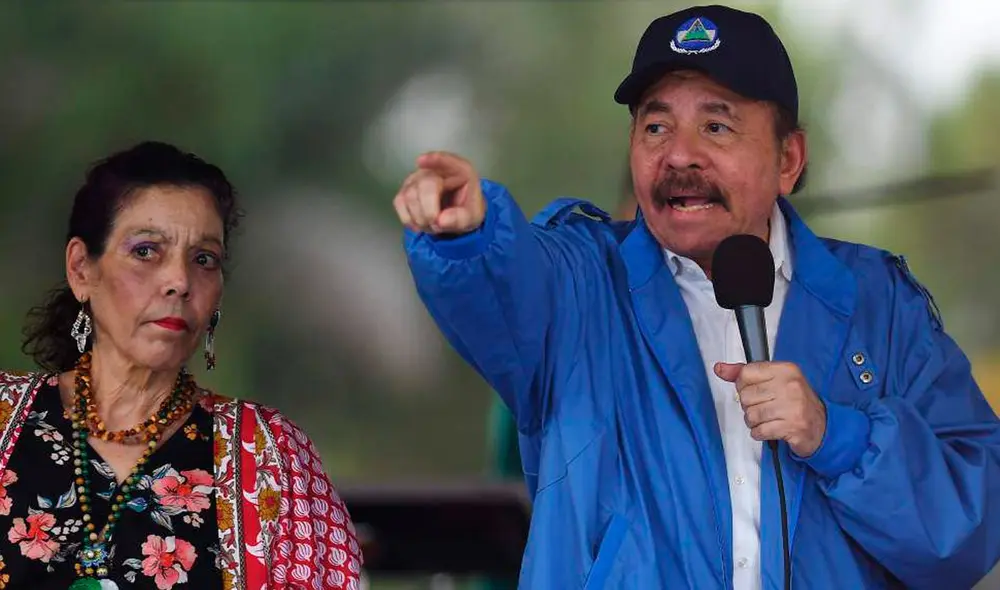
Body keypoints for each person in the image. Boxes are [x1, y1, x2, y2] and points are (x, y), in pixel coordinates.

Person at [396, 5, 1000, 590]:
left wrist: (837, 437)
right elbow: (500, 286)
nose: (679, 155)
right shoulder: (580, 284)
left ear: (788, 158)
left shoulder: (880, 305)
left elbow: (972, 529)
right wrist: (463, 235)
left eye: (716, 126)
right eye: (655, 126)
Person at [0, 141, 362, 589]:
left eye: (203, 259)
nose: (179, 281)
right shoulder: (5, 421)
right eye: (146, 251)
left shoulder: (271, 458)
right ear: (81, 270)